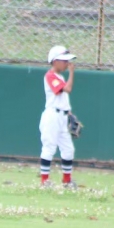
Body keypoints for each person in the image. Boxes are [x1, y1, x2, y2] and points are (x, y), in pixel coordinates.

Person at [39, 45, 77, 189]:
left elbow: (63, 98)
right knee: (49, 147)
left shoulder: (60, 77)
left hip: (62, 116)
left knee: (68, 149)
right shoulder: (50, 76)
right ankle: (44, 181)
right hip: (52, 116)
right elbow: (67, 89)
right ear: (55, 61)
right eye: (64, 61)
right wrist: (72, 73)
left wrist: (69, 113)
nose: (67, 64)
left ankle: (67, 181)